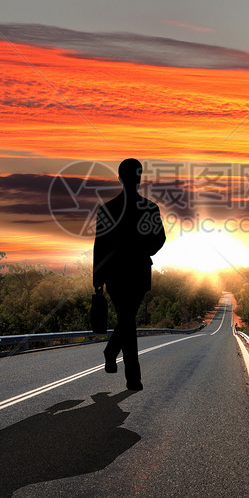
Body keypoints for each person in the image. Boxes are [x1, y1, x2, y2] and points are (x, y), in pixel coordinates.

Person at [93, 158, 166, 391]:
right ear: (139, 178)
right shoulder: (150, 208)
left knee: (126, 320)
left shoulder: (107, 210)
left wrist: (98, 277)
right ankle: (132, 378)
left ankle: (111, 351)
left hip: (117, 275)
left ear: (120, 178)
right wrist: (144, 250)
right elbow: (160, 239)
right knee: (127, 320)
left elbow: (100, 247)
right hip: (137, 274)